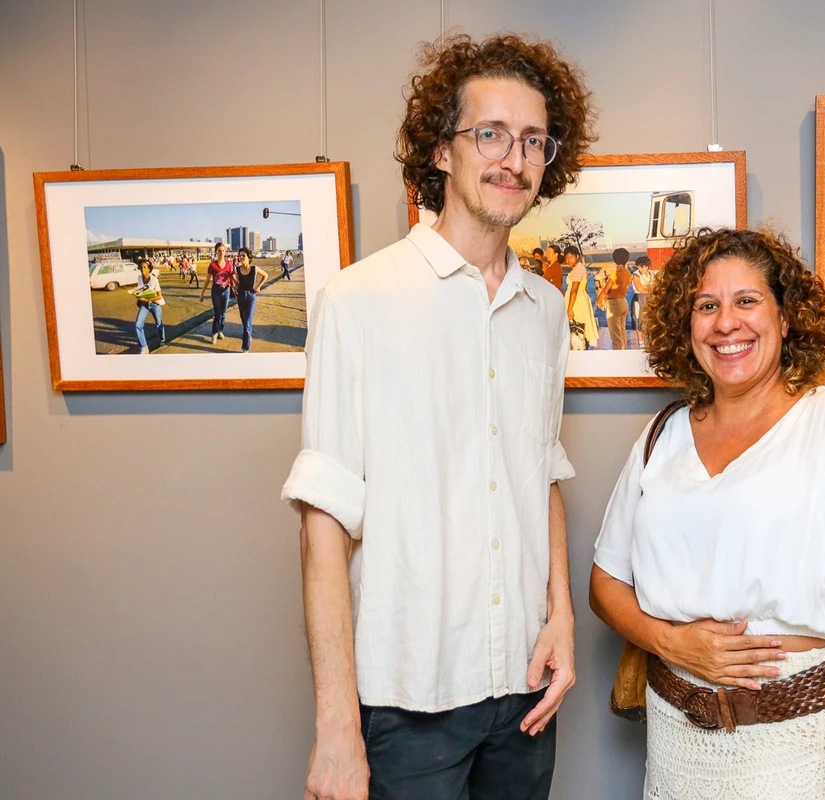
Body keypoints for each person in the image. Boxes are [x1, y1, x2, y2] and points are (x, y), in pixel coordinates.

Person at [280, 32, 596, 800]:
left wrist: (561, 619)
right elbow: (324, 525)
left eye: (533, 141)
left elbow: (538, 471)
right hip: (406, 701)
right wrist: (335, 728)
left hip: (524, 687)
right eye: (489, 133)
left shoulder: (547, 311)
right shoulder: (359, 301)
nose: (512, 159)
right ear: (442, 150)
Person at [590, 227, 825, 800]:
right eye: (706, 305)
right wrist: (670, 644)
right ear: (685, 323)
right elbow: (605, 584)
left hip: (799, 737)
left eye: (747, 301)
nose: (726, 323)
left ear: (786, 316)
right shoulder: (662, 435)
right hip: (676, 733)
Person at [198, 242, 235, 345]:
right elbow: (207, 280)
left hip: (226, 291)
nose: (221, 252)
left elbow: (232, 278)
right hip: (216, 291)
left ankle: (220, 331)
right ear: (215, 252)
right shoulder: (212, 265)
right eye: (219, 251)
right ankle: (214, 333)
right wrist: (202, 293)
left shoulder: (229, 264)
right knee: (217, 314)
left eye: (223, 250)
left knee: (223, 314)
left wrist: (235, 288)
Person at [597, 247, 633, 350]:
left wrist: (598, 301)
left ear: (614, 259)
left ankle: (618, 357)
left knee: (616, 335)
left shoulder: (615, 273)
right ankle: (624, 353)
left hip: (614, 304)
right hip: (623, 302)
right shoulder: (627, 273)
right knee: (622, 332)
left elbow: (605, 290)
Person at [233, 247, 267, 353]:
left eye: (243, 255)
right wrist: (234, 287)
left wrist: (258, 286)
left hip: (251, 296)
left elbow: (265, 275)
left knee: (247, 322)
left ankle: (245, 348)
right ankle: (249, 334)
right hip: (241, 296)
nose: (241, 257)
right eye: (240, 255)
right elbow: (236, 282)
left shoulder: (254, 269)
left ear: (249, 257)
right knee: (243, 319)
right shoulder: (237, 269)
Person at [564, 244, 598, 349]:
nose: (568, 260)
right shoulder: (578, 268)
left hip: (576, 301)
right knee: (579, 328)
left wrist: (569, 309)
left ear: (577, 256)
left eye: (570, 257)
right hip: (579, 299)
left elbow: (574, 290)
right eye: (566, 258)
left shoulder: (578, 269)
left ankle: (579, 350)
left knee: (578, 327)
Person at [132, 260, 166, 354]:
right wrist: (137, 294)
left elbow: (159, 296)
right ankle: (144, 347)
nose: (142, 269)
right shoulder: (139, 278)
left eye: (145, 267)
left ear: (149, 269)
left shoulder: (154, 280)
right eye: (141, 267)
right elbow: (139, 290)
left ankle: (162, 340)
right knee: (138, 324)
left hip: (155, 304)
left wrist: (148, 300)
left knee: (159, 324)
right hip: (144, 304)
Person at [630, 254, 654, 348]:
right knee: (638, 320)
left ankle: (649, 340)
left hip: (650, 299)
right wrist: (651, 289)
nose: (642, 268)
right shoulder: (636, 274)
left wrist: (650, 289)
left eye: (644, 266)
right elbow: (639, 288)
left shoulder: (651, 274)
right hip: (639, 299)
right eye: (640, 266)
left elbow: (656, 286)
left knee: (650, 320)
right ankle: (641, 342)